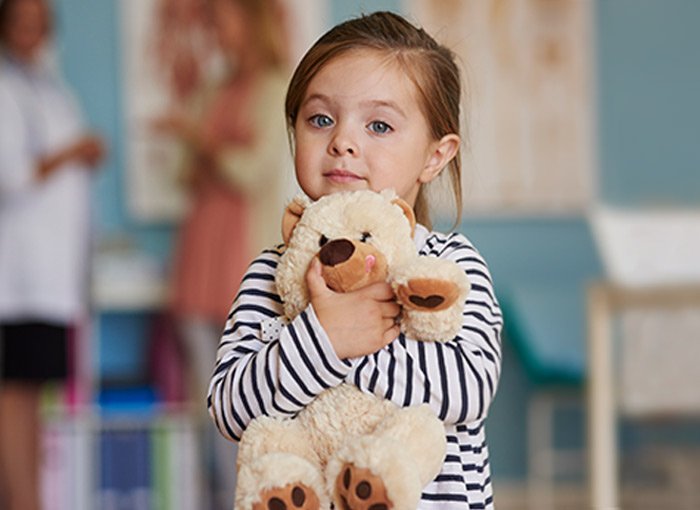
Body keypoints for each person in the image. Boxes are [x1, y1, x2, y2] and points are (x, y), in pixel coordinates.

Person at [207, 10, 503, 510]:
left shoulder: (448, 264)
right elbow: (231, 410)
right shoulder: (271, 273)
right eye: (320, 118)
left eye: (380, 125)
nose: (342, 141)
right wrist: (321, 337)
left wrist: (357, 343)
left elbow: (468, 390)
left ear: (435, 155)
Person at [152, 0, 290, 507]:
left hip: (241, 253)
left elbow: (251, 172)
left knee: (247, 393)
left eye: (226, 24)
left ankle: (251, 495)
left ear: (252, 27)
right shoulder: (212, 89)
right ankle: (212, 496)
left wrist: (200, 142)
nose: (220, 36)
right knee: (202, 396)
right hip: (198, 249)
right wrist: (203, 151)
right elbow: (185, 174)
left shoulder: (277, 89)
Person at [0, 0, 105, 509]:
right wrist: (74, 151)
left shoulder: (45, 85)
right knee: (12, 395)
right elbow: (11, 176)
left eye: (41, 20)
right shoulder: (5, 87)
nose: (34, 30)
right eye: (23, 19)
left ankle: (31, 499)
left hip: (48, 276)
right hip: (16, 277)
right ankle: (23, 501)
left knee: (32, 395)